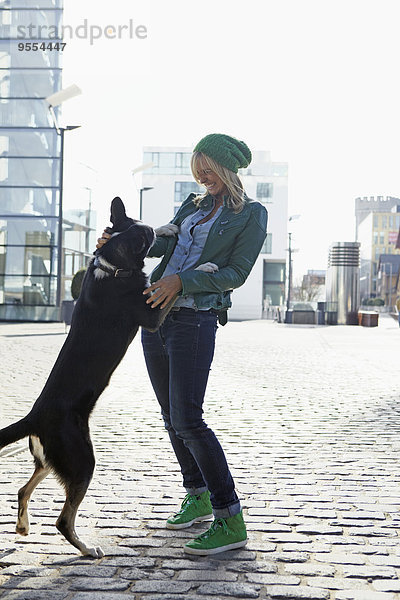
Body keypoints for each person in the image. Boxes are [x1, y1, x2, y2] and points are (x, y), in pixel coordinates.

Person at [97, 133, 268, 555]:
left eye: (208, 168)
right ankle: (198, 494)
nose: (202, 176)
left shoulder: (251, 214)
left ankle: (230, 518)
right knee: (170, 417)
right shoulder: (191, 206)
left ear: (228, 167)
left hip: (194, 318)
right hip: (155, 315)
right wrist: (118, 240)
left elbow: (235, 273)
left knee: (189, 419)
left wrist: (182, 281)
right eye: (197, 170)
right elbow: (165, 243)